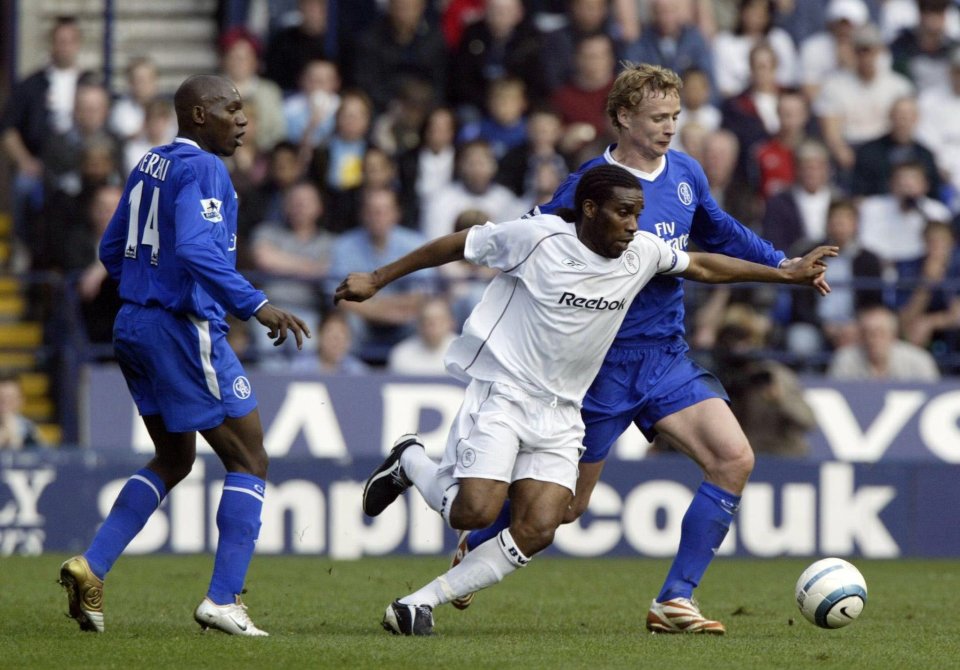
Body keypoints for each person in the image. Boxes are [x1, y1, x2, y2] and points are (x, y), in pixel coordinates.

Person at [335, 163, 835, 636]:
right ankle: (411, 460)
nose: (634, 225)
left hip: (563, 410)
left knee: (541, 526)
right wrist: (377, 279)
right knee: (474, 513)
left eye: (638, 213)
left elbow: (703, 265)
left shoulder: (641, 252)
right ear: (590, 209)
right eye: (624, 212)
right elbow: (458, 244)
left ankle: (418, 603)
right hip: (505, 392)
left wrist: (783, 273)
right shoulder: (537, 238)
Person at [453, 62, 831, 633]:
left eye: (675, 116)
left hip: (664, 355)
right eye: (658, 117)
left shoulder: (685, 172)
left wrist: (782, 263)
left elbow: (719, 230)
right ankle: (477, 541)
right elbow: (529, 237)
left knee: (734, 458)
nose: (669, 127)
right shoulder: (589, 185)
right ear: (623, 116)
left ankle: (674, 599)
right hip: (596, 366)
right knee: (564, 511)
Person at [57, 74, 310, 636]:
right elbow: (197, 247)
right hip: (181, 329)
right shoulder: (203, 169)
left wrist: (145, 290)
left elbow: (109, 247)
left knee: (174, 460)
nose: (245, 120)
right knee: (250, 459)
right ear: (199, 115)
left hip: (134, 325)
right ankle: (223, 599)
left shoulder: (150, 162)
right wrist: (256, 304)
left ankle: (90, 565)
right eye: (233, 109)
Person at [828, 304, 941, 380]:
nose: (873, 339)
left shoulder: (918, 361)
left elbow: (934, 396)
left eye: (880, 333)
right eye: (868, 333)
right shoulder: (845, 360)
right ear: (861, 337)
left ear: (893, 335)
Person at [0, 372, 47, 450]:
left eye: (10, 399)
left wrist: (15, 438)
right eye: (1, 398)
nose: (5, 403)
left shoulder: (29, 429)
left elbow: (44, 456)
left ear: (20, 401)